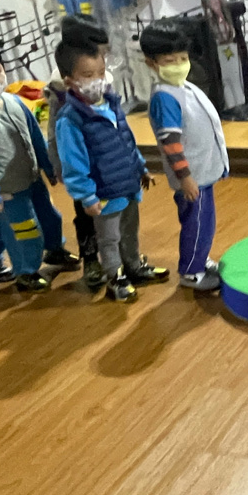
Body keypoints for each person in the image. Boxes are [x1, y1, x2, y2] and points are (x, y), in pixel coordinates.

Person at [54, 39, 169, 303]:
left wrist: (141, 167)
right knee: (109, 239)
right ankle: (115, 278)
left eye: (101, 72)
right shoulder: (70, 119)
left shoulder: (112, 103)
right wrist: (86, 195)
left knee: (129, 231)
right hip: (104, 191)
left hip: (127, 184)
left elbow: (127, 141)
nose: (98, 80)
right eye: (88, 75)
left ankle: (134, 267)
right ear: (70, 80)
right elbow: (73, 164)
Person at [140, 24, 228, 292]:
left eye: (183, 58)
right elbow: (171, 143)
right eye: (170, 61)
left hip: (201, 172)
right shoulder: (164, 97)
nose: (179, 65)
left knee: (204, 223)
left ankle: (199, 259)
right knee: (196, 224)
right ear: (151, 63)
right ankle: (191, 272)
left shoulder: (182, 87)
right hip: (192, 177)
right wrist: (186, 178)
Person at [0, 46, 80, 292]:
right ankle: (26, 270)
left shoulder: (14, 102)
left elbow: (35, 136)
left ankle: (54, 249)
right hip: (8, 190)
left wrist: (49, 165)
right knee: (24, 229)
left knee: (49, 216)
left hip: (32, 178)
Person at [45, 15, 109, 290]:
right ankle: (91, 258)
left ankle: (116, 255)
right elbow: (54, 132)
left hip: (105, 159)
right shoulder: (63, 88)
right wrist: (58, 164)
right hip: (79, 166)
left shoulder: (101, 77)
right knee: (85, 213)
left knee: (111, 210)